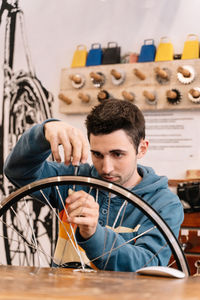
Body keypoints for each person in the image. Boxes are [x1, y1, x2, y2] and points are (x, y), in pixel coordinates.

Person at [4, 99, 184, 272]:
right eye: (97, 154)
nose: (106, 168)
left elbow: (148, 265)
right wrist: (43, 133)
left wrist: (93, 234)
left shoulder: (165, 204)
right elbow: (18, 172)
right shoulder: (74, 179)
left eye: (117, 154)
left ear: (142, 149)